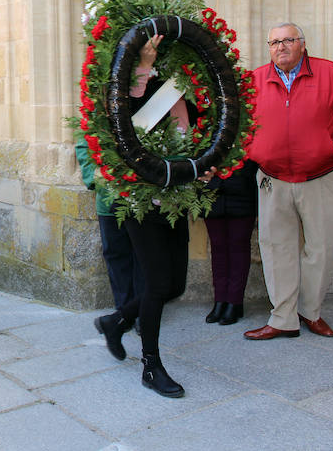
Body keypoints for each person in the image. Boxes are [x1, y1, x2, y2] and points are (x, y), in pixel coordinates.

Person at [94, 35, 212, 399]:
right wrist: (142, 67)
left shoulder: (181, 92)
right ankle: (151, 366)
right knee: (158, 284)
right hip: (140, 200)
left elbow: (191, 140)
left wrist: (203, 170)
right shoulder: (124, 88)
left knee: (174, 285)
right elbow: (124, 119)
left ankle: (116, 321)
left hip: (175, 198)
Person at [244, 23, 333, 340]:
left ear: (302, 44)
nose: (280, 47)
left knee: (321, 249)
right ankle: (283, 319)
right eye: (274, 42)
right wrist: (254, 151)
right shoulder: (255, 80)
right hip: (273, 180)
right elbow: (239, 126)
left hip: (320, 178)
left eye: (288, 40)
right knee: (276, 249)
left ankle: (310, 312)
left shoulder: (331, 74)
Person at [75, 138, 143, 329]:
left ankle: (142, 313)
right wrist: (93, 179)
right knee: (115, 254)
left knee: (142, 256)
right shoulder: (97, 112)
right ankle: (123, 311)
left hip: (140, 197)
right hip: (108, 198)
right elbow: (83, 145)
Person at [203, 159, 258, 325]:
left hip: (242, 190)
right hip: (212, 192)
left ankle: (235, 301)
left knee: (239, 247)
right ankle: (220, 300)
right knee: (218, 248)